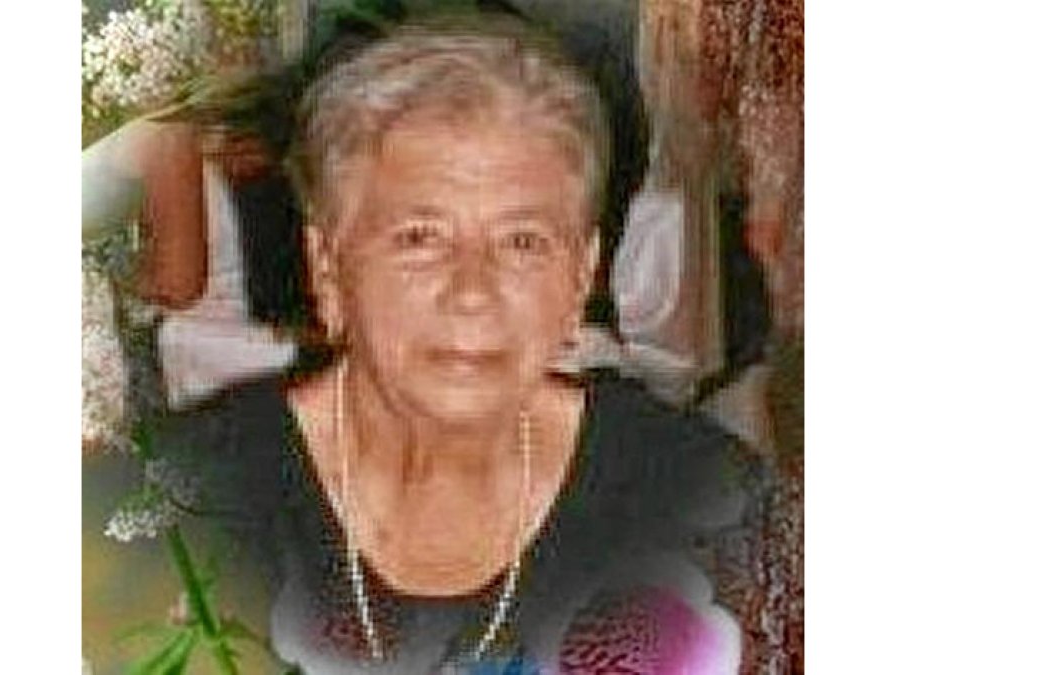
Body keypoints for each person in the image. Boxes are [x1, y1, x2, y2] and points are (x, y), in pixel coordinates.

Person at [152, 15, 756, 674]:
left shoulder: (709, 506)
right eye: (420, 237)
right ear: (327, 267)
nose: (473, 291)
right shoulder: (179, 511)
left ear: (581, 277)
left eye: (522, 242)